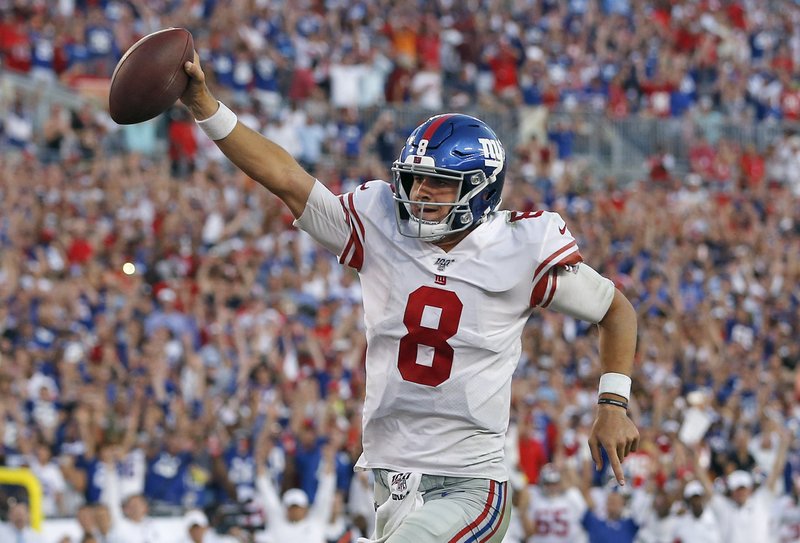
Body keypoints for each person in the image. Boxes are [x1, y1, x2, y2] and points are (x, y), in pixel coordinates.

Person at [179, 49, 640, 543]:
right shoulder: (381, 224)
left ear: (481, 191)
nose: (420, 192)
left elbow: (615, 309)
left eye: (439, 183)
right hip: (391, 476)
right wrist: (205, 104)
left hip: (469, 483)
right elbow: (288, 180)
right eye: (416, 178)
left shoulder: (520, 247)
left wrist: (613, 403)